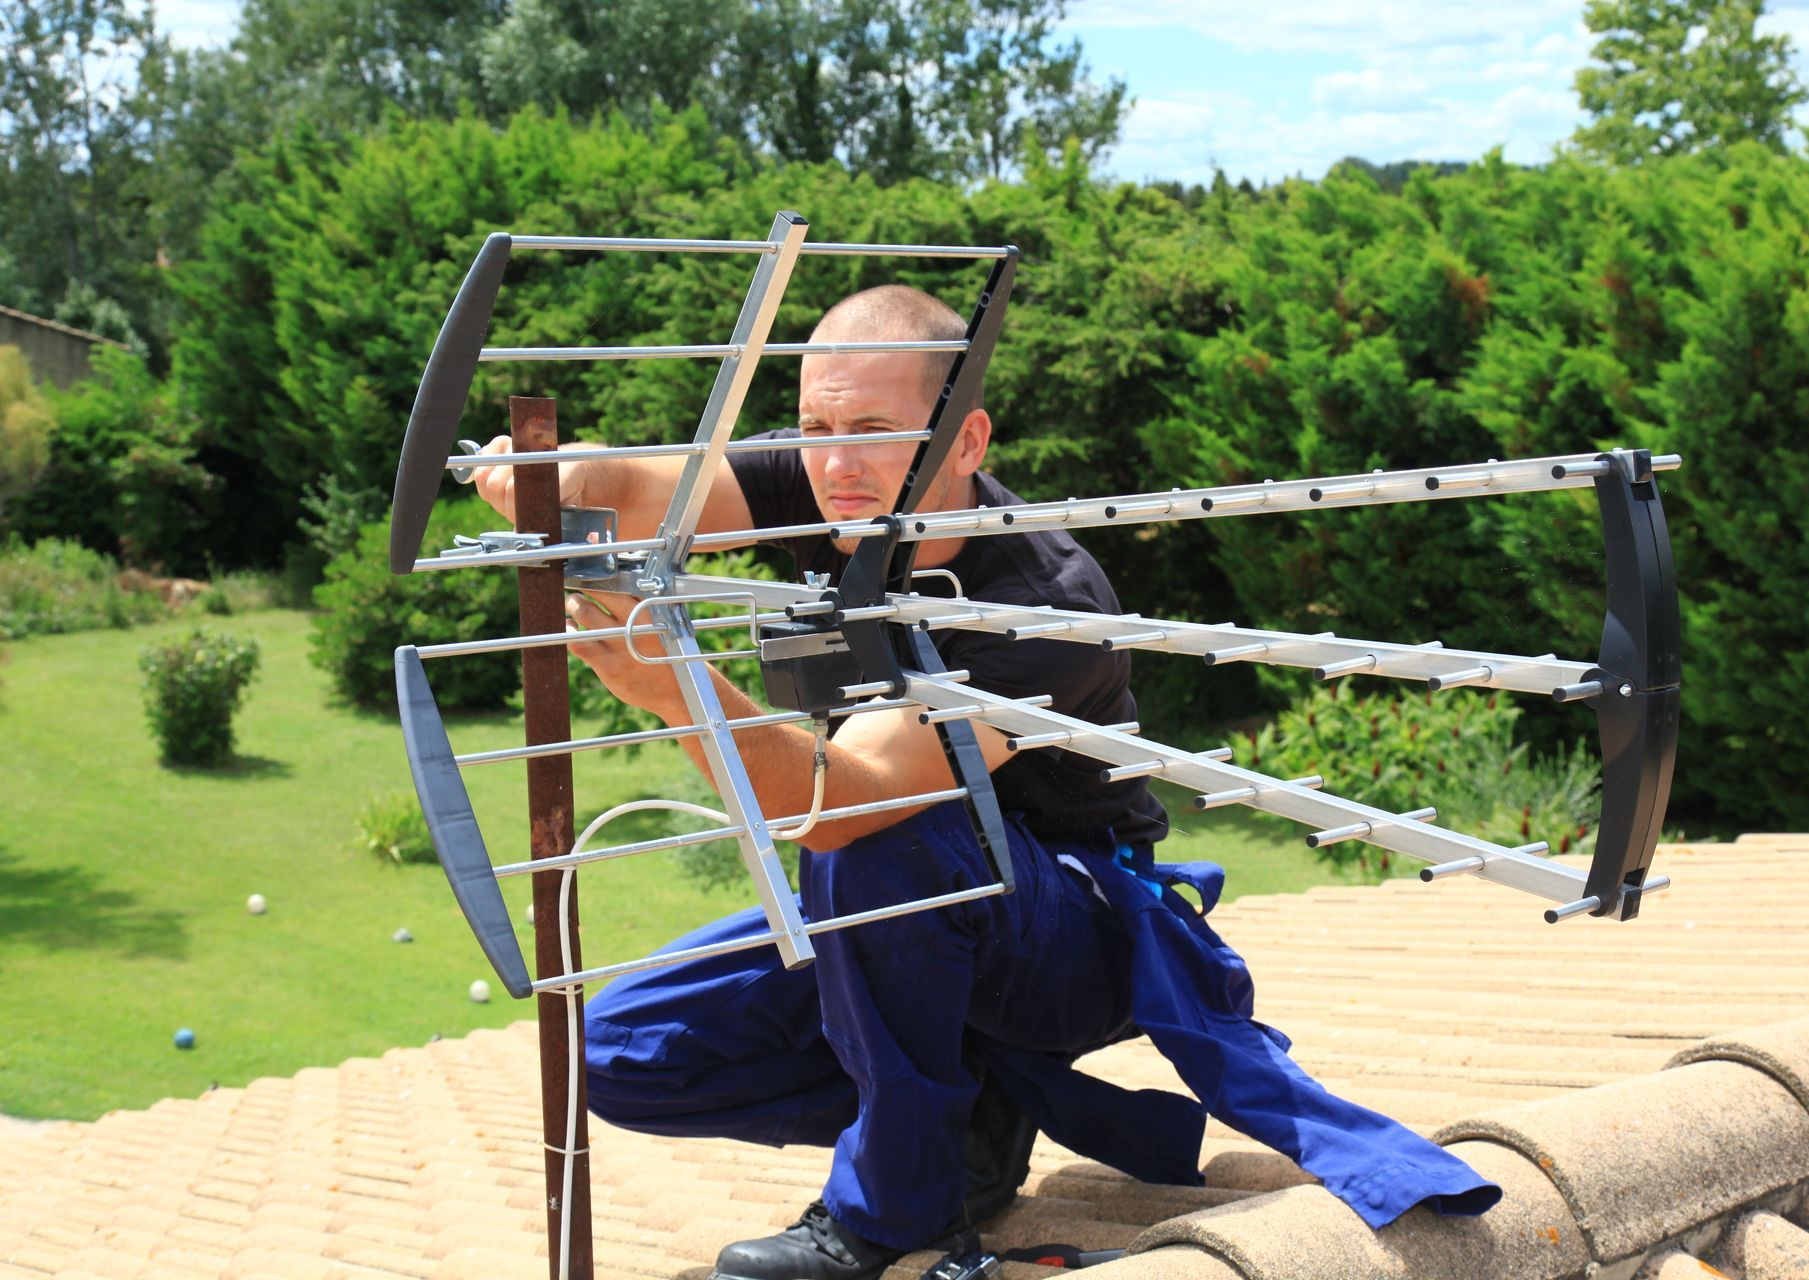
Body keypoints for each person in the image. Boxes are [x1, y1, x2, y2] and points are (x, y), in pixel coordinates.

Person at [475, 285, 1500, 1280]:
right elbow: (646, 488)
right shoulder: (835, 480)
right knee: (619, 1051)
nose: (834, 460)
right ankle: (963, 1112)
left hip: (1067, 930)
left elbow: (844, 806)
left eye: (872, 426)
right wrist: (544, 476)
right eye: (814, 425)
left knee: (879, 841)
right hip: (903, 918)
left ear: (966, 442)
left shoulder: (1041, 604)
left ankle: (893, 1201)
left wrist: (677, 688)